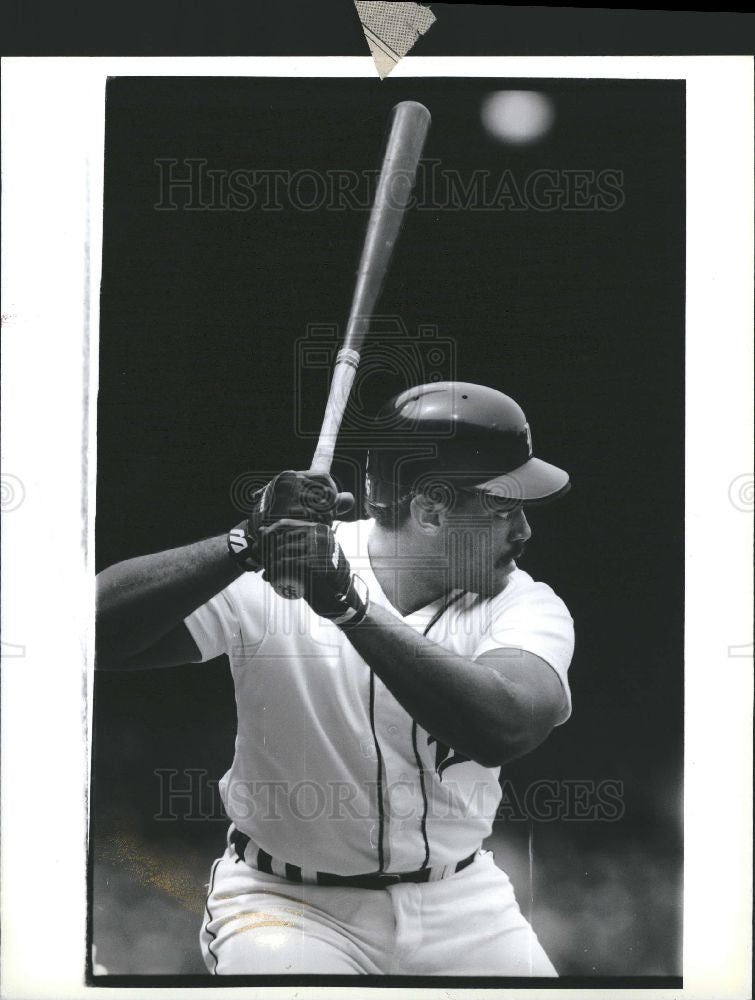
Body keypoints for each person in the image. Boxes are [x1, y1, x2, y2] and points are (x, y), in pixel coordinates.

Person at [96, 381, 575, 976]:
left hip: (464, 903)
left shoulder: (524, 606)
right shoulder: (287, 565)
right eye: (503, 508)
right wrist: (243, 542)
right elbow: (85, 634)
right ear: (428, 509)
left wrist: (349, 607)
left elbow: (505, 726)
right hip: (287, 907)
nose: (524, 531)